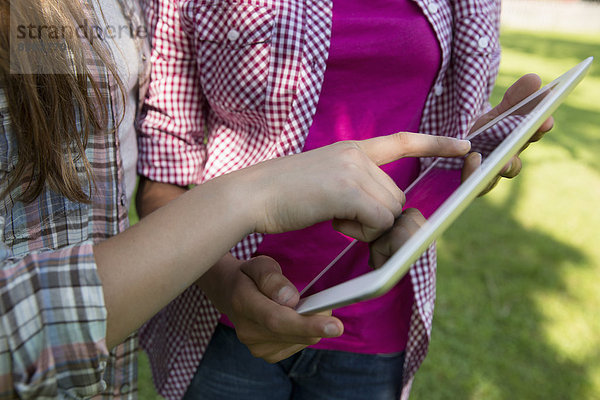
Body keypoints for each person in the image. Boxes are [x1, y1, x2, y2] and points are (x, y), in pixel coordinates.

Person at [0, 0, 473, 398]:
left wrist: (448, 188)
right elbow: (165, 159)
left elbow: (452, 136)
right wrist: (234, 254)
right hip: (216, 321)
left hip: (373, 318)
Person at [135, 0, 554, 399]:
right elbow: (162, 174)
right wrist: (224, 283)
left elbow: (452, 137)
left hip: (374, 319)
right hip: (226, 316)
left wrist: (476, 155)